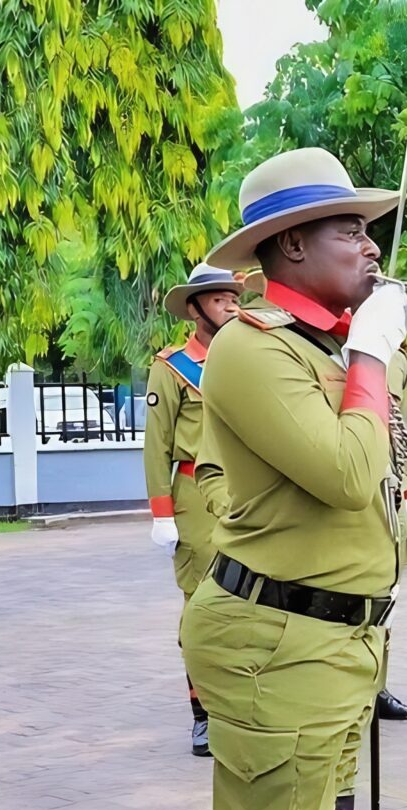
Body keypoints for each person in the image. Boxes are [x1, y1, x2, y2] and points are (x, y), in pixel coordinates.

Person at [185, 146, 407, 810]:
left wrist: (359, 355)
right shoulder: (250, 346)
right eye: (347, 229)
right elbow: (349, 472)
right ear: (286, 247)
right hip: (278, 640)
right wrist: (370, 358)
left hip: (335, 636)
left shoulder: (324, 348)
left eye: (367, 227)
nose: (369, 245)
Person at [144, 263, 243, 757]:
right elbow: (157, 445)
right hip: (192, 498)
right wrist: (162, 513)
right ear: (194, 308)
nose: (231, 305)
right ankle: (203, 713)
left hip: (245, 492)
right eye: (220, 298)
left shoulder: (248, 359)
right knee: (202, 606)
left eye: (234, 297)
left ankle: (241, 708)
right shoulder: (171, 368)